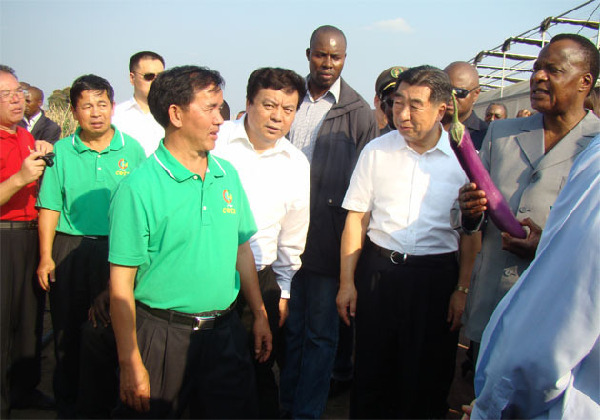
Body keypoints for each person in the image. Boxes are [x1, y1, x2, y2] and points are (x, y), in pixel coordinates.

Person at [108, 65, 272, 418]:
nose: (220, 119)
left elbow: (241, 248)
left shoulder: (226, 174)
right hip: (163, 338)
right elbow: (121, 284)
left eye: (221, 108)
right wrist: (130, 361)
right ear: (176, 114)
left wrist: (258, 313)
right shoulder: (139, 188)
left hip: (225, 335)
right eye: (210, 108)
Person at [336, 65, 479, 418]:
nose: (402, 114)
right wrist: (346, 283)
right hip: (379, 275)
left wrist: (461, 290)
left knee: (426, 379)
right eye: (398, 102)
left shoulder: (464, 161)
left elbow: (472, 233)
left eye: (415, 105)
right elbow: (357, 218)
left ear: (441, 110)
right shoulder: (376, 152)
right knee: (372, 374)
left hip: (434, 279)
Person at [459, 33, 600, 366]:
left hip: (554, 311)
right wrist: (469, 212)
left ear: (584, 82)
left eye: (553, 70)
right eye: (537, 69)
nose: (538, 76)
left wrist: (544, 247)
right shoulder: (502, 134)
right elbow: (466, 217)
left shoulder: (596, 147)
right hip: (492, 301)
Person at [279, 25, 378, 419]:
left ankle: (306, 412)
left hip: (327, 244)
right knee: (288, 333)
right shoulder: (288, 100)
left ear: (344, 59)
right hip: (284, 240)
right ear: (308, 54)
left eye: (335, 57)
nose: (327, 63)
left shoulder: (358, 113)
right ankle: (283, 405)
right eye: (321, 55)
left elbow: (364, 193)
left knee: (321, 337)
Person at [35, 74, 146, 417]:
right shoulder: (63, 151)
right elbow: (51, 206)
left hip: (118, 250)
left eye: (102, 105)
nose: (95, 113)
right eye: (87, 106)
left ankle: (112, 403)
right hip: (71, 249)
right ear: (74, 110)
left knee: (113, 330)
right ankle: (69, 405)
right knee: (68, 330)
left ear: (112, 108)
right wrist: (45, 257)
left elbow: (143, 208)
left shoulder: (133, 149)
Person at [468, 133, 600, 419]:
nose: (539, 83)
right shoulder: (502, 134)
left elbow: (552, 344)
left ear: (586, 85)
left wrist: (491, 407)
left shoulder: (595, 158)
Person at [213, 67, 309, 418]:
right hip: (209, 276)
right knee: (208, 369)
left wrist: (283, 290)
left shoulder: (296, 163)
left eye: (288, 109)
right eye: (269, 105)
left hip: (261, 275)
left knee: (259, 365)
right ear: (249, 102)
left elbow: (293, 235)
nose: (277, 117)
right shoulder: (216, 140)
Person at [0, 65, 54, 417]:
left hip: (31, 237)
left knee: (30, 319)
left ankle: (24, 389)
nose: (17, 99)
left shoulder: (25, 136)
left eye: (18, 91)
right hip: (3, 238)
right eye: (6, 95)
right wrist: (21, 177)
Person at [113, 51, 165, 156]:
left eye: (160, 77)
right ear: (132, 78)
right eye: (149, 76)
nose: (155, 82)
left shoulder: (174, 115)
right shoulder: (116, 116)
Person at [442, 61, 488, 150]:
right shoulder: (424, 129)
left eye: (459, 92)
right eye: (446, 90)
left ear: (476, 94)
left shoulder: (486, 137)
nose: (451, 97)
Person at [374, 66, 403, 135]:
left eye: (402, 103)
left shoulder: (429, 140)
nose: (397, 109)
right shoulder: (374, 143)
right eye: (392, 102)